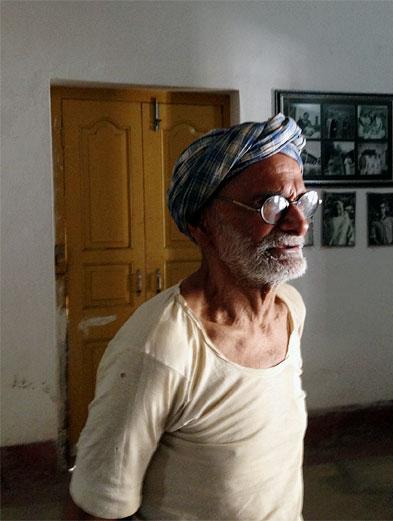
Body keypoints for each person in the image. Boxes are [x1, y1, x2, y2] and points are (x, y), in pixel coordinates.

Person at [67, 114, 319, 520]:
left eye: (301, 200)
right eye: (270, 205)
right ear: (203, 224)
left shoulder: (289, 311)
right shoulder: (159, 347)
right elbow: (95, 509)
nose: (299, 223)